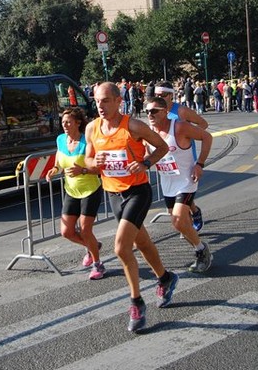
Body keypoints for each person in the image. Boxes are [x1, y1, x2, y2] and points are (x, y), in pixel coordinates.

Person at [84, 82, 178, 333]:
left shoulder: (134, 126)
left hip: (137, 191)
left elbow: (162, 146)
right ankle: (166, 278)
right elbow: (88, 160)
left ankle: (136, 303)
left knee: (120, 247)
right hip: (113, 193)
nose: (100, 106)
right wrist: (96, 161)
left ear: (118, 101)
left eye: (105, 101)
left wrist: (145, 163)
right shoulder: (92, 128)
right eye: (97, 101)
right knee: (141, 242)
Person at [145, 96, 213, 273]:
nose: (150, 115)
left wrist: (200, 164)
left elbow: (207, 137)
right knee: (180, 224)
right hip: (168, 184)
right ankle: (199, 245)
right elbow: (149, 158)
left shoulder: (179, 127)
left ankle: (201, 250)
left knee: (177, 220)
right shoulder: (149, 134)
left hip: (186, 181)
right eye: (147, 111)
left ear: (166, 112)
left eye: (154, 111)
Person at [46, 107, 105, 280]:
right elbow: (59, 160)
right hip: (71, 190)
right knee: (66, 231)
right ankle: (93, 246)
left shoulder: (87, 142)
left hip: (90, 190)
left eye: (68, 122)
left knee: (85, 229)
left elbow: (98, 168)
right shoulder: (61, 140)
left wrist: (83, 170)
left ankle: (98, 264)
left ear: (78, 123)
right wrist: (54, 169)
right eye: (63, 122)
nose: (64, 125)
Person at [154, 81, 206, 232]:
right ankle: (191, 218)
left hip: (186, 156)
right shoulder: (155, 111)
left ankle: (192, 218)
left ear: (171, 95)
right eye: (156, 95)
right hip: (168, 160)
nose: (159, 98)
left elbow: (203, 124)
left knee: (184, 190)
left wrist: (189, 135)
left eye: (162, 95)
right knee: (179, 193)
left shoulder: (181, 111)